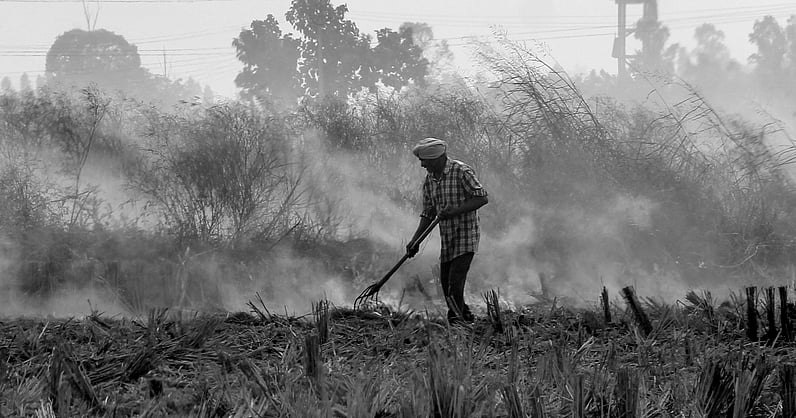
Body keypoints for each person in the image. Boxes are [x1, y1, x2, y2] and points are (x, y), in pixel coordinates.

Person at [406, 137, 489, 323]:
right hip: (448, 238)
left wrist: (455, 211)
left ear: (436, 158)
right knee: (446, 284)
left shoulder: (461, 171)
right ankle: (465, 316)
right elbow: (428, 213)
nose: (422, 165)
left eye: (424, 161)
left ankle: (456, 321)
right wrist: (415, 241)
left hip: (466, 234)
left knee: (454, 282)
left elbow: (482, 198)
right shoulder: (429, 181)